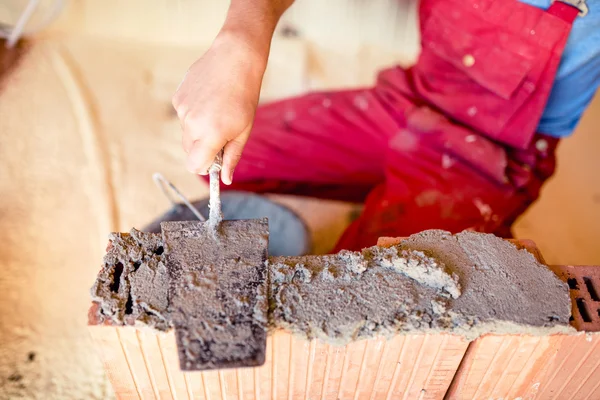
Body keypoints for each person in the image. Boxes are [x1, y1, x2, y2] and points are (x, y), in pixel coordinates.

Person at [171, 0, 600, 252]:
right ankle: (392, 197)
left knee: (373, 294)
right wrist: (240, 40)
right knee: (231, 156)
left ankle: (439, 214)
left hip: (490, 149)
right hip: (419, 95)